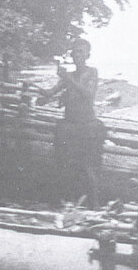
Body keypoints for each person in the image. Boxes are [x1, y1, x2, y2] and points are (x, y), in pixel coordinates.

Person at [37, 38, 107, 209]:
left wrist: (67, 78)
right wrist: (41, 94)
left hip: (87, 125)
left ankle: (94, 205)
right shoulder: (70, 76)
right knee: (62, 163)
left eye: (81, 52)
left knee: (88, 167)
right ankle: (59, 202)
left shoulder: (92, 72)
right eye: (74, 52)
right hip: (69, 124)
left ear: (88, 55)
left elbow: (88, 94)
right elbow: (51, 92)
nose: (77, 55)